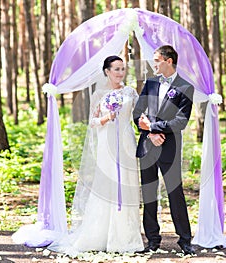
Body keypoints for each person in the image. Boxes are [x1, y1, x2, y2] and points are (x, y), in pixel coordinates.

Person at [48, 55, 144, 256]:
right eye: (116, 69)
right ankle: (99, 234)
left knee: (126, 183)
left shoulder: (130, 92)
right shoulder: (99, 93)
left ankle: (124, 236)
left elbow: (138, 117)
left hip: (126, 142)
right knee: (106, 184)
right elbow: (92, 122)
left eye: (122, 69)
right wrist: (106, 118)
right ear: (107, 71)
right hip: (106, 144)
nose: (120, 73)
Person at [133, 45, 195, 255]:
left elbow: (181, 121)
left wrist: (155, 128)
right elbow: (137, 113)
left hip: (170, 148)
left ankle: (185, 241)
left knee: (175, 193)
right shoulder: (150, 83)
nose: (154, 64)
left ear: (169, 61)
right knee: (149, 194)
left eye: (157, 60)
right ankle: (152, 240)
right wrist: (150, 133)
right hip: (147, 145)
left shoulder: (185, 87)